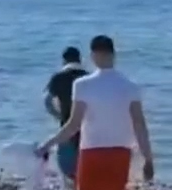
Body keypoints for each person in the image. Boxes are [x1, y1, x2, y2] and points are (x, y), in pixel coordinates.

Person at [36, 35, 154, 190]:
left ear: (92, 56)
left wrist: (46, 146)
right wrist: (148, 158)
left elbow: (73, 125)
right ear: (114, 54)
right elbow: (139, 126)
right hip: (120, 154)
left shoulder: (82, 85)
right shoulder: (131, 86)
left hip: (91, 152)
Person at [43, 46, 88, 183]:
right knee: (86, 171)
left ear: (64, 61)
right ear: (80, 59)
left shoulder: (58, 78)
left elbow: (47, 101)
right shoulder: (88, 77)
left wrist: (58, 116)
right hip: (87, 129)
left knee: (68, 173)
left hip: (66, 128)